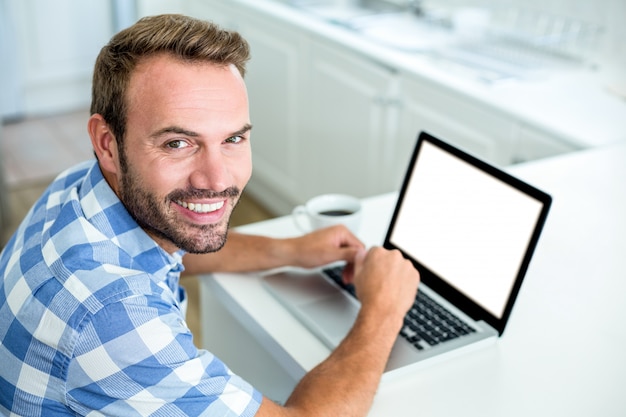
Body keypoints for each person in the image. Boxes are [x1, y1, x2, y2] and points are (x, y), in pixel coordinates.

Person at [0, 14, 420, 417]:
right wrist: (383, 310)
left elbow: (166, 239)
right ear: (108, 143)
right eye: (178, 143)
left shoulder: (79, 189)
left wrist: (288, 250)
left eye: (233, 138)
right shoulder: (112, 317)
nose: (217, 178)